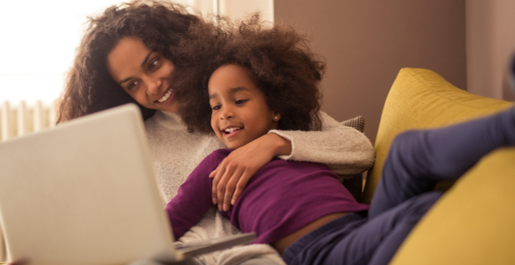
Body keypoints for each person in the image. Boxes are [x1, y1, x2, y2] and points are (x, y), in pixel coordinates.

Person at [166, 18, 515, 265]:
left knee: (408, 151)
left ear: (276, 107)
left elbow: (359, 149)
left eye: (239, 100)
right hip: (317, 252)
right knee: (423, 210)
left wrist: (279, 143)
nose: (224, 113)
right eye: (215, 106)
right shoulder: (215, 167)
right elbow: (169, 223)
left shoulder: (304, 142)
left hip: (362, 225)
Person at [56, 0, 374, 265]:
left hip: (274, 252)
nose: (153, 87)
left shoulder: (241, 93)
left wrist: (272, 144)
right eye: (133, 84)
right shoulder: (138, 142)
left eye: (153, 64)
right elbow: (135, 229)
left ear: (177, 47)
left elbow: (358, 149)